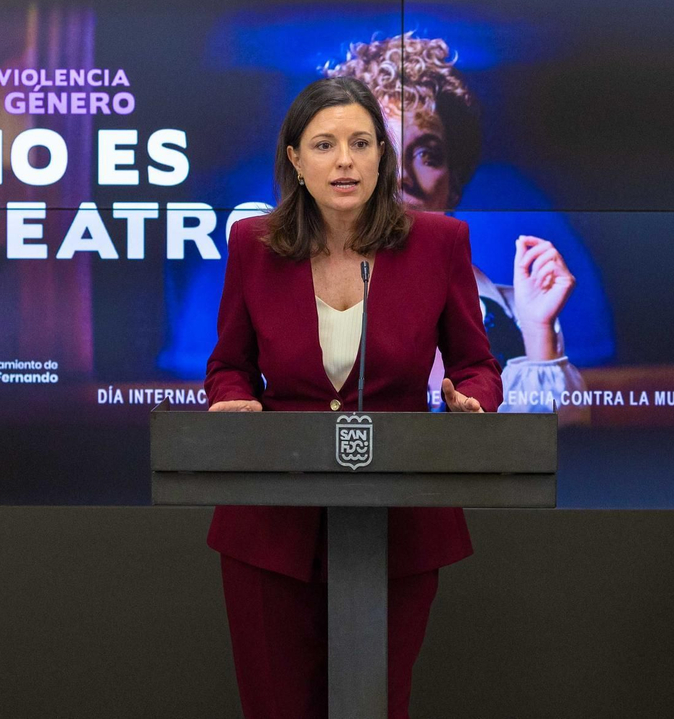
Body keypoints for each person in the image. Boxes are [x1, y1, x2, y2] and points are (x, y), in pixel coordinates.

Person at [203, 76, 503, 719]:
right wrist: (233, 403)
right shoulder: (253, 246)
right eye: (325, 144)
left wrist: (470, 397)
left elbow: (478, 364)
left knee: (375, 703)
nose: (344, 160)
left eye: (361, 143)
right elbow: (230, 365)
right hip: (272, 528)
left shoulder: (438, 244)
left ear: (379, 158)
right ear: (295, 159)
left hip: (398, 522)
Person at [323, 32, 586, 413]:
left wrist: (537, 333)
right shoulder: (307, 301)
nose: (401, 178)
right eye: (377, 150)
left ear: (455, 181)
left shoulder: (517, 313)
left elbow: (557, 451)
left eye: (427, 154)